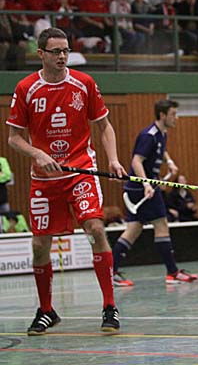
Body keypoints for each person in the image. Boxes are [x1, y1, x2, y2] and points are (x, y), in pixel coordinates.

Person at [6, 27, 126, 335]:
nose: (62, 56)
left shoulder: (84, 83)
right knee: (39, 245)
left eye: (65, 51)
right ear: (41, 54)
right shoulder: (26, 88)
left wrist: (113, 159)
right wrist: (37, 154)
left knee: (95, 229)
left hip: (81, 172)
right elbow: (14, 138)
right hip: (44, 179)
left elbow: (104, 126)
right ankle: (46, 310)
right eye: (56, 51)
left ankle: (109, 306)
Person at [111, 100, 198, 287]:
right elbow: (136, 161)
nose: (176, 118)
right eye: (173, 114)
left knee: (133, 229)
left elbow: (161, 150)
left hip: (140, 187)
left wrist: (169, 161)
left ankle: (111, 271)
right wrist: (146, 184)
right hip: (143, 188)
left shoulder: (161, 133)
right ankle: (172, 273)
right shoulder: (148, 135)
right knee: (161, 224)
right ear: (162, 115)